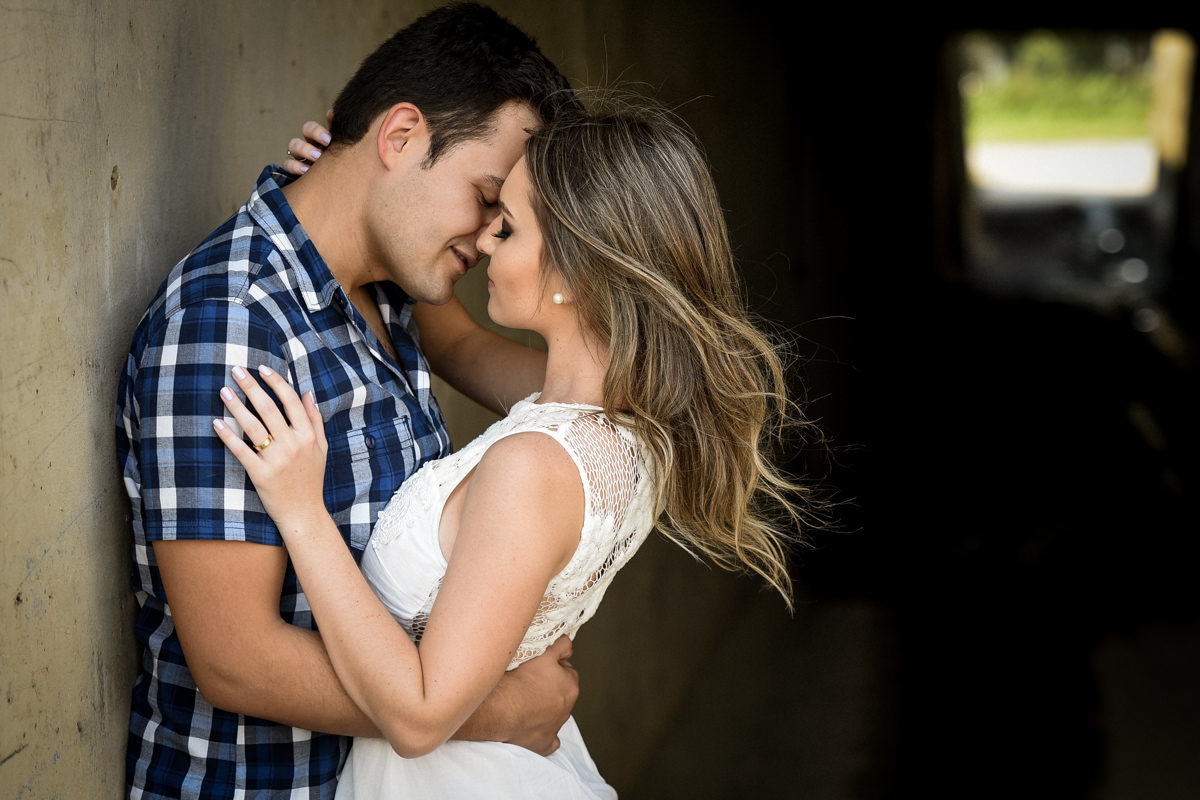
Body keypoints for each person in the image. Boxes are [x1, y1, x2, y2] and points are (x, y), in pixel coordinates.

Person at [213, 99, 816, 798]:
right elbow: (460, 343)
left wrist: (300, 511)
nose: (486, 243)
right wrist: (357, 193)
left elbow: (418, 716)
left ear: (577, 272)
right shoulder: (628, 421)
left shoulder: (534, 468)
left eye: (509, 226)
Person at [114, 4, 584, 797]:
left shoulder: (394, 287)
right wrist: (493, 709)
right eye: (485, 197)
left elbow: (513, 374)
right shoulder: (232, 322)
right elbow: (235, 658)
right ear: (400, 138)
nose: (488, 237)